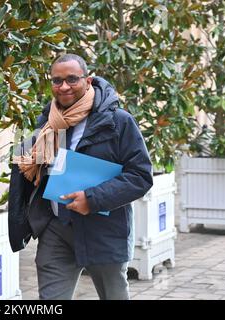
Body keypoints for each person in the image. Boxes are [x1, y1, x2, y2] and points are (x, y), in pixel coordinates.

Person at [8, 53, 153, 300]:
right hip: (56, 228)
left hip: (103, 230)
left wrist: (92, 198)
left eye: (72, 79)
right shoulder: (48, 123)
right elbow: (31, 172)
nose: (63, 86)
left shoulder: (118, 122)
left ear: (88, 81)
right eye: (57, 80)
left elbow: (140, 176)